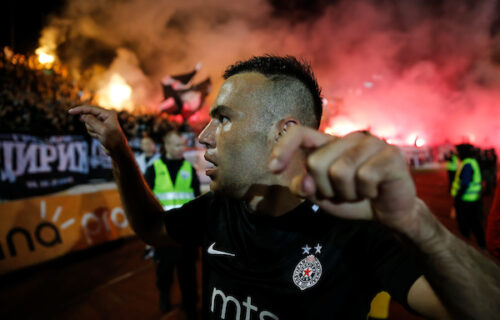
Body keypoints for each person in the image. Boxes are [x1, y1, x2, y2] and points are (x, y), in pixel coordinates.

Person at [70, 55, 500, 320]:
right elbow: (152, 229)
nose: (202, 137)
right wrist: (119, 152)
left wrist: (415, 223)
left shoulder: (356, 228)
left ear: (282, 132)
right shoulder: (219, 208)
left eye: (222, 119)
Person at [144, 130, 200, 318]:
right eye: (177, 145)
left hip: (186, 234)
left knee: (188, 274)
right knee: (164, 271)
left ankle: (190, 305)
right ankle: (164, 297)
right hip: (164, 233)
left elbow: (197, 200)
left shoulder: (189, 170)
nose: (181, 148)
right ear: (166, 146)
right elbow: (147, 202)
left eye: (182, 144)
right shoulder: (153, 170)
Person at [451, 144, 486, 249]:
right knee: (476, 225)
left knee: (465, 227)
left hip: (466, 202)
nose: (456, 154)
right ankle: (483, 246)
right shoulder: (472, 162)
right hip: (474, 200)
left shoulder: (467, 164)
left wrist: (457, 198)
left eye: (457, 152)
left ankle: (468, 248)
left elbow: (465, 183)